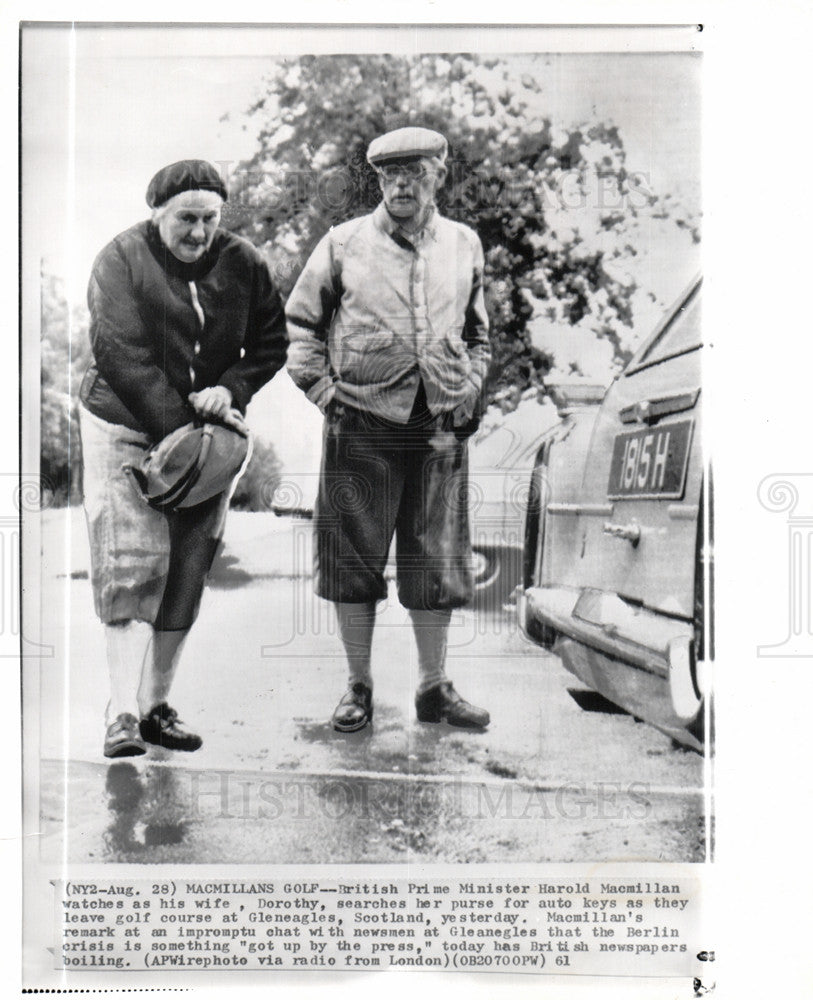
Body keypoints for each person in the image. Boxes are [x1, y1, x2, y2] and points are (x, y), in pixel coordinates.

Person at [286, 126, 491, 732]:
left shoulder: (463, 243)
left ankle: (434, 687)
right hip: (362, 421)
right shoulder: (343, 243)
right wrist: (326, 393)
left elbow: (479, 334)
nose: (401, 185)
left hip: (438, 423)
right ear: (377, 180)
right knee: (354, 559)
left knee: (437, 561)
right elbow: (300, 327)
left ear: (438, 176)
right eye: (389, 174)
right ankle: (358, 687)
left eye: (416, 173)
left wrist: (471, 388)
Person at [80, 159, 288, 758]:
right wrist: (181, 433)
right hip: (122, 419)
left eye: (209, 218)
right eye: (185, 218)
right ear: (157, 214)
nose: (198, 232)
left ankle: (155, 707)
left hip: (204, 433)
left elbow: (270, 341)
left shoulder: (244, 261)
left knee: (188, 566)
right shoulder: (119, 258)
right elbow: (120, 354)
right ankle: (120, 713)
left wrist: (232, 387)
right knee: (132, 561)